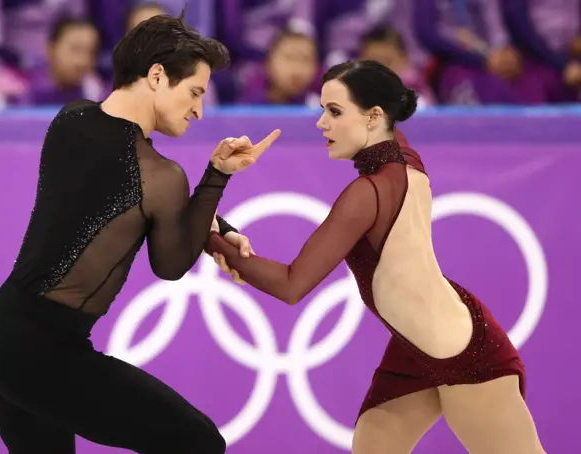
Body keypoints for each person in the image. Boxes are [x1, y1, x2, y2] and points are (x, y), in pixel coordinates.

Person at [0, 11, 279, 454]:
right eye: (194, 92)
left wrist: (210, 222)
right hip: (43, 353)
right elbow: (171, 264)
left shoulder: (71, 120)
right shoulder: (158, 175)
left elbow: (102, 199)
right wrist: (217, 176)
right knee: (197, 442)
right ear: (156, 76)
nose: (198, 109)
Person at [207, 60, 546, 453]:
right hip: (416, 345)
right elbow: (390, 129)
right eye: (322, 110)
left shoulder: (367, 194)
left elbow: (291, 285)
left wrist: (204, 234)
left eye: (334, 112)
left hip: (465, 354)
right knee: (375, 443)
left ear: (373, 116)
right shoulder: (405, 159)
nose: (321, 124)